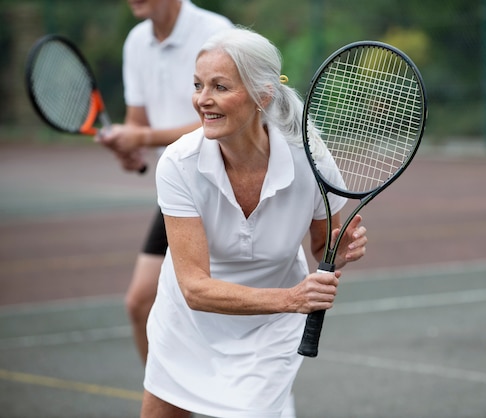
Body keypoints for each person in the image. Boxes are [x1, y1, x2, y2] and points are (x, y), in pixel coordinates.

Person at [140, 27, 369, 418]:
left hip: (271, 329)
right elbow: (195, 289)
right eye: (198, 85)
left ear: (262, 95)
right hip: (188, 324)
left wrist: (340, 250)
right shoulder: (178, 164)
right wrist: (293, 299)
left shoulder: (309, 157)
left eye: (220, 87)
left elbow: (321, 247)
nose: (202, 100)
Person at [95, 0, 233, 364]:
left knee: (223, 311)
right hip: (180, 189)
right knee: (141, 303)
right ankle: (170, 400)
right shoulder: (136, 41)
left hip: (227, 184)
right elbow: (138, 122)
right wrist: (130, 146)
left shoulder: (214, 31)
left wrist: (141, 139)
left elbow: (223, 117)